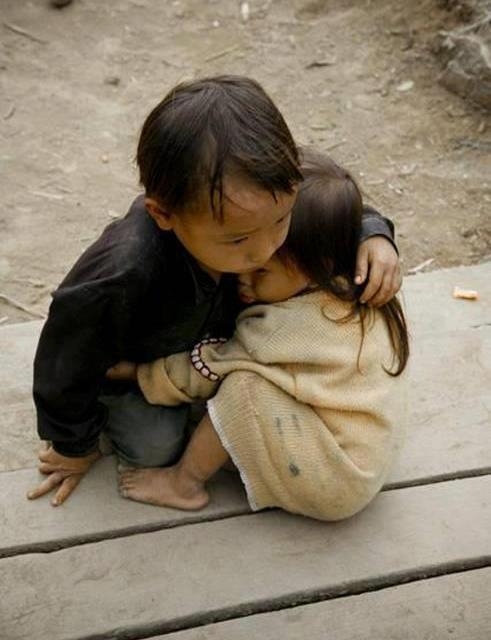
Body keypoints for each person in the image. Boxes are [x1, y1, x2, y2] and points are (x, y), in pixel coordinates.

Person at [28, 76, 401, 507]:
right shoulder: (122, 274)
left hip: (208, 357)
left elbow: (329, 201)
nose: (266, 251)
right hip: (133, 369)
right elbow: (65, 359)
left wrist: (372, 233)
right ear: (163, 215)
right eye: (238, 241)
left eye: (283, 221)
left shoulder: (259, 200)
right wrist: (72, 445)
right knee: (155, 448)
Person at [114, 152, 409, 521]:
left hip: (337, 479)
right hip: (367, 451)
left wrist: (135, 373)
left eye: (261, 271)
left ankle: (183, 483)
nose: (243, 275)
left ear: (311, 265)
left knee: (244, 389)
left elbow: (208, 368)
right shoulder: (355, 280)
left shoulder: (279, 329)